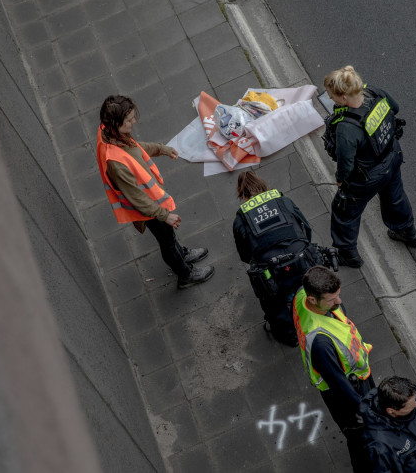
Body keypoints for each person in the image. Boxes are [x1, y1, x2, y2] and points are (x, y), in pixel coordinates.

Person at [96, 95, 213, 288]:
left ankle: (181, 254)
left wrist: (161, 149)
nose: (134, 121)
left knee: (168, 238)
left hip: (150, 205)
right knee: (166, 241)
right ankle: (185, 275)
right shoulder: (115, 163)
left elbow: (136, 148)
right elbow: (137, 198)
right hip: (147, 210)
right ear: (117, 123)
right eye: (129, 119)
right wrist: (164, 215)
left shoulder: (109, 132)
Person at [323, 65, 416, 268]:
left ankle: (347, 253)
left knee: (344, 212)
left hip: (367, 176)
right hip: (392, 157)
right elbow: (395, 108)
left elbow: (346, 164)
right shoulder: (374, 92)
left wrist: (341, 180)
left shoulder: (346, 127)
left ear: (343, 98)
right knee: (395, 197)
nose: (331, 100)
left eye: (332, 97)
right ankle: (407, 232)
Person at [233, 170, 328, 347]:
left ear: (242, 194)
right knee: (314, 287)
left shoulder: (241, 218)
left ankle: (290, 336)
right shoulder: (283, 201)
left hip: (271, 271)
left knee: (273, 302)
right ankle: (323, 320)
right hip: (301, 259)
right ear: (263, 186)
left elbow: (244, 253)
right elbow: (305, 227)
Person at [293, 266, 373, 472]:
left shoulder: (301, 294)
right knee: (359, 436)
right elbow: (339, 384)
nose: (339, 302)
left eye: (338, 295)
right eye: (331, 299)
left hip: (352, 377)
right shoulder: (320, 342)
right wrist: (365, 409)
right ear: (312, 300)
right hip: (349, 391)